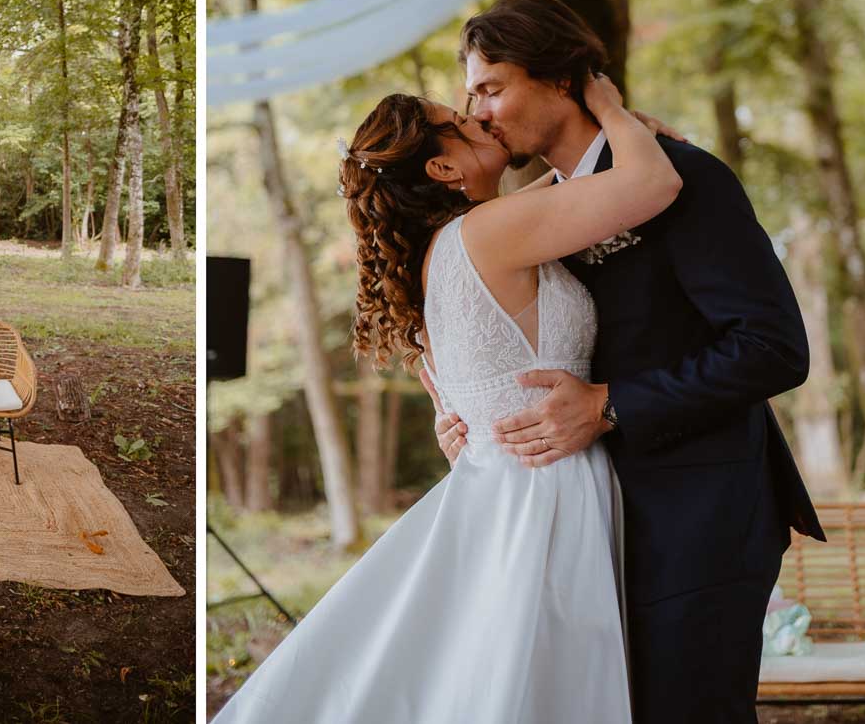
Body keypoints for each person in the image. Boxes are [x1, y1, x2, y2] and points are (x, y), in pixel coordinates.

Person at [214, 64, 689, 723]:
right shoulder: (488, 235)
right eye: (463, 123)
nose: (482, 117)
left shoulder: (448, 248)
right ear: (440, 170)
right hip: (544, 496)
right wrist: (611, 109)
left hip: (504, 489)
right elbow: (655, 182)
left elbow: (466, 385)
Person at [430, 0, 823, 724]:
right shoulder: (543, 204)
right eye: (469, 94)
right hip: (590, 518)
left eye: (491, 86)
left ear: (559, 77)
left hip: (699, 513)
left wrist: (609, 404)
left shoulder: (682, 176)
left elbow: (773, 346)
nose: (478, 111)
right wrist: (470, 417)